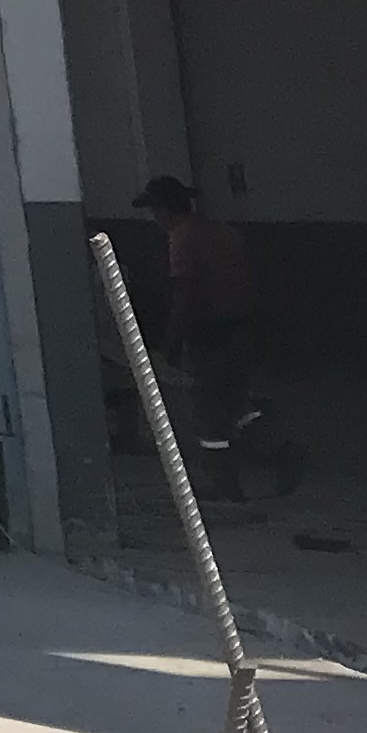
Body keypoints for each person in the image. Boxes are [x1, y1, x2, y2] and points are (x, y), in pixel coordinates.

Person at [135, 174, 273, 496]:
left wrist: (171, 341)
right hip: (241, 326)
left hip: (210, 332)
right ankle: (280, 450)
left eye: (154, 211)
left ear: (164, 210)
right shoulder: (222, 231)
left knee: (207, 409)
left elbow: (184, 294)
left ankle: (225, 484)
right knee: (237, 401)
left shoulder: (182, 238)